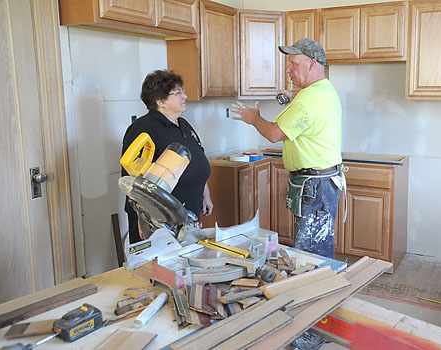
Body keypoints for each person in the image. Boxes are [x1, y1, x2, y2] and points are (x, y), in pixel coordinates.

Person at [231, 37, 343, 350]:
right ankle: (321, 322)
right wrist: (288, 98)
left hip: (315, 187)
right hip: (321, 183)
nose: (288, 69)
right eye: (288, 63)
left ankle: (310, 335)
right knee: (318, 254)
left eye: (294, 64)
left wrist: (255, 118)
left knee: (310, 259)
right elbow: (299, 101)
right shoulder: (321, 91)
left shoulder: (309, 100)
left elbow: (274, 132)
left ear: (313, 64)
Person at [122, 70, 213, 244]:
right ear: (160, 101)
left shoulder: (183, 124)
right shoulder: (143, 128)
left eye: (182, 91)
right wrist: (143, 218)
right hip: (157, 221)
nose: (184, 96)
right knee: (159, 269)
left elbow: (196, 160)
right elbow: (132, 179)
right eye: (178, 93)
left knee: (184, 265)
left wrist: (205, 193)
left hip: (188, 214)